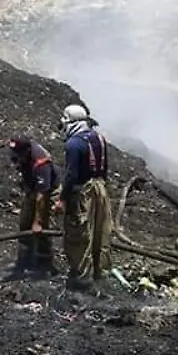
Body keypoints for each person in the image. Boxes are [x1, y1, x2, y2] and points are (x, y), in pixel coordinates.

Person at [57, 104, 114, 291]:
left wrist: (63, 199)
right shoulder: (100, 139)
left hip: (83, 193)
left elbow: (71, 175)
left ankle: (81, 278)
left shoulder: (73, 144)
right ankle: (100, 272)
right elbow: (104, 169)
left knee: (79, 232)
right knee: (100, 230)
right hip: (100, 189)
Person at [7, 136, 60, 275]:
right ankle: (24, 262)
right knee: (24, 224)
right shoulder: (19, 151)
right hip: (32, 187)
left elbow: (41, 197)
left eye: (19, 154)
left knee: (42, 227)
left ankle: (44, 264)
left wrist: (37, 222)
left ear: (27, 151)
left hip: (47, 190)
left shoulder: (42, 164)